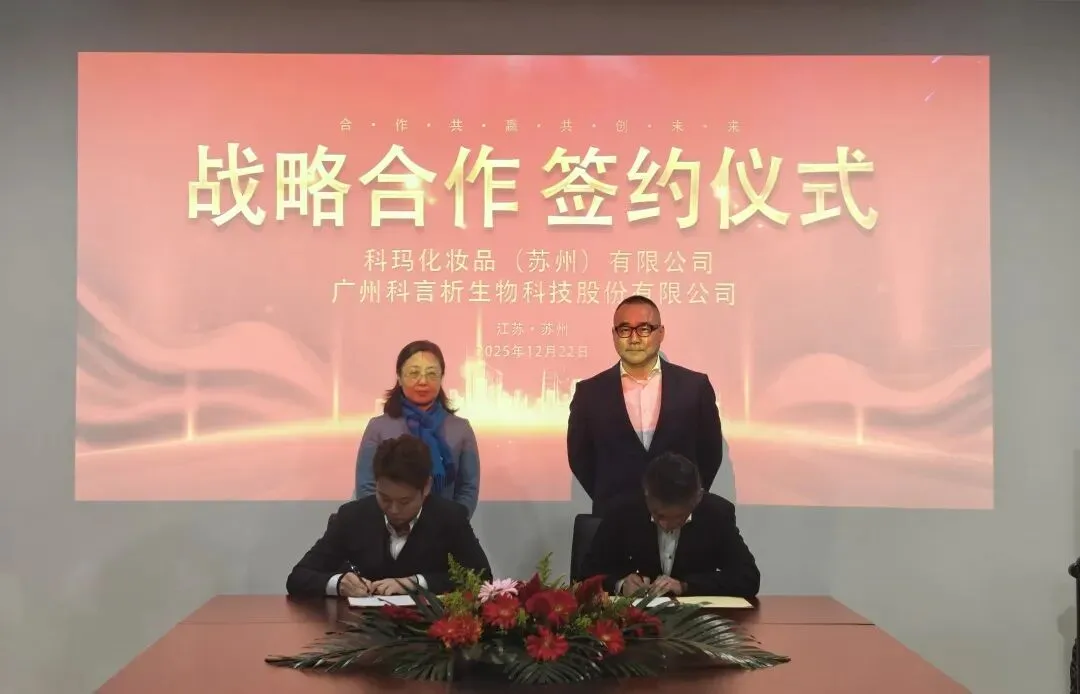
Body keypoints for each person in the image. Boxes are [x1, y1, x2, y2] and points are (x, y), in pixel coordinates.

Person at [567, 295, 724, 516]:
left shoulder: (694, 387)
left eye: (644, 329)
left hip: (680, 518)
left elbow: (710, 453)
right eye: (624, 329)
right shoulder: (589, 393)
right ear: (614, 335)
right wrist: (612, 496)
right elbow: (581, 459)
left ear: (661, 333)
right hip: (615, 519)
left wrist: (685, 498)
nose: (634, 338)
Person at [288, 434, 491, 598]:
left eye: (404, 502)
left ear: (426, 487)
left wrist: (415, 583)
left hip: (428, 630)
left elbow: (482, 579)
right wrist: (338, 583)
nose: (393, 509)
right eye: (384, 498)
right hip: (360, 629)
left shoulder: (450, 517)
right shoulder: (352, 517)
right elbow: (298, 577)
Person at [580, 452, 759, 599]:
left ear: (697, 499)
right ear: (646, 494)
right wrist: (620, 584)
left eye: (680, 517)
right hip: (633, 620)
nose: (667, 525)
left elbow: (747, 578)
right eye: (659, 515)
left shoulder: (716, 514)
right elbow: (586, 573)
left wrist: (685, 586)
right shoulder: (622, 511)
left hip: (696, 622)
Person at [355, 340, 480, 518]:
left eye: (431, 373)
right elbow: (366, 486)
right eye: (414, 373)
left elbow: (467, 488)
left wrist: (453, 525)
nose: (423, 381)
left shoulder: (461, 429)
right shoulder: (378, 427)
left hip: (444, 528)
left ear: (442, 377)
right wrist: (388, 525)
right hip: (388, 527)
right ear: (399, 377)